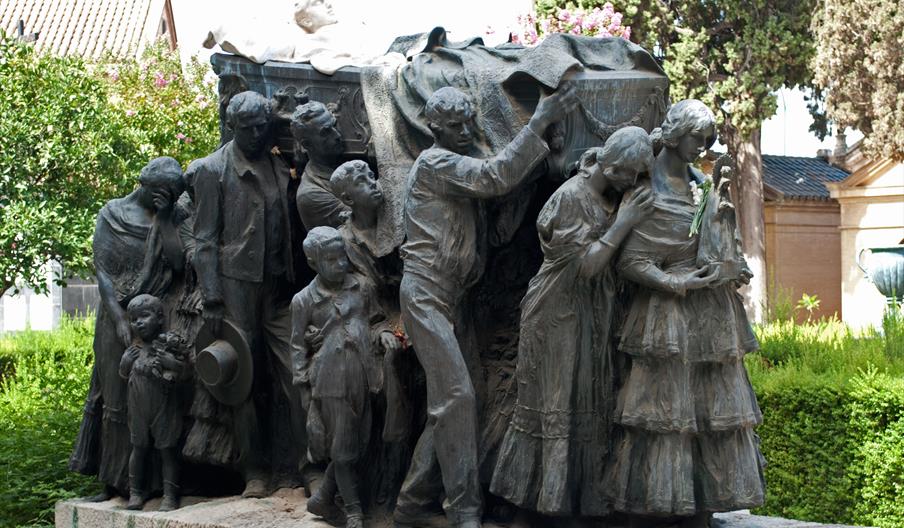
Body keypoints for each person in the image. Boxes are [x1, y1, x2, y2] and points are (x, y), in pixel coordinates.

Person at [394, 84, 579, 528]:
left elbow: (494, 234)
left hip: (453, 300)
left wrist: (535, 176)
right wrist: (537, 121)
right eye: (453, 126)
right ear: (434, 129)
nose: (463, 132)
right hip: (425, 295)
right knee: (456, 396)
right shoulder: (435, 163)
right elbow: (493, 177)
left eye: (466, 123)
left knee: (458, 401)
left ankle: (411, 504)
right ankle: (464, 511)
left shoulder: (460, 179)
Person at [605, 100, 765, 528]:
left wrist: (722, 212)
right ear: (674, 134)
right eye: (698, 137)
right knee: (665, 415)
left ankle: (701, 501)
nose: (703, 147)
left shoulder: (700, 183)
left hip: (709, 312)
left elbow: (716, 240)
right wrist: (677, 282)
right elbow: (629, 262)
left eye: (708, 139)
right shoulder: (646, 189)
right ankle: (657, 505)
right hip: (666, 313)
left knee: (708, 413)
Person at [490, 127, 654, 517]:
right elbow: (586, 266)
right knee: (555, 403)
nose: (634, 183)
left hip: (590, 314)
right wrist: (625, 221)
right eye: (631, 174)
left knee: (587, 401)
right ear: (612, 167)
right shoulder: (569, 198)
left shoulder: (605, 190)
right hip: (557, 313)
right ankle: (544, 504)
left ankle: (579, 500)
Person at [192, 90, 304, 498]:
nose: (258, 134)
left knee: (295, 372)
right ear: (232, 127)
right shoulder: (211, 170)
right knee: (245, 378)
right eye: (249, 128)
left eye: (263, 126)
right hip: (236, 286)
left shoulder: (278, 166)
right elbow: (204, 239)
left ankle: (300, 466)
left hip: (278, 287)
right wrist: (212, 297)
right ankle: (255, 469)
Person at [69, 157, 189, 500]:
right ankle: (113, 481)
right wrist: (120, 319)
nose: (168, 197)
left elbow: (178, 263)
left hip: (157, 314)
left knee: (158, 395)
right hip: (116, 316)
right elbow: (103, 270)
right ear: (147, 185)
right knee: (114, 394)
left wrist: (165, 217)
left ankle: (152, 485)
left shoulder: (173, 216)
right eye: (164, 192)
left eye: (173, 194)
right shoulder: (112, 213)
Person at [290, 226, 401, 528]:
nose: (341, 264)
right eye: (332, 259)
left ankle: (323, 498)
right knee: (342, 447)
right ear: (314, 263)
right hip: (330, 381)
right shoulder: (304, 301)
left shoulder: (361, 287)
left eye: (343, 258)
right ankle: (353, 511)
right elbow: (297, 347)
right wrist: (303, 389)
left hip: (365, 376)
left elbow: (377, 320)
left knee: (359, 444)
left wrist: (386, 334)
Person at [119, 294, 191, 511]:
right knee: (138, 448)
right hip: (138, 407)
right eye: (133, 319)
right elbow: (123, 374)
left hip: (163, 406)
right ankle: (135, 493)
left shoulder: (168, 346)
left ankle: (170, 495)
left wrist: (172, 364)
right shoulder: (133, 350)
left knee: (167, 450)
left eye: (144, 316)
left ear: (160, 318)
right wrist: (124, 364)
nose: (138, 322)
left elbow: (184, 373)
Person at [291, 101, 349, 230]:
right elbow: (370, 218)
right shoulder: (310, 195)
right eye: (325, 133)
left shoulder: (340, 161)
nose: (337, 135)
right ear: (307, 145)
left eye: (335, 125)